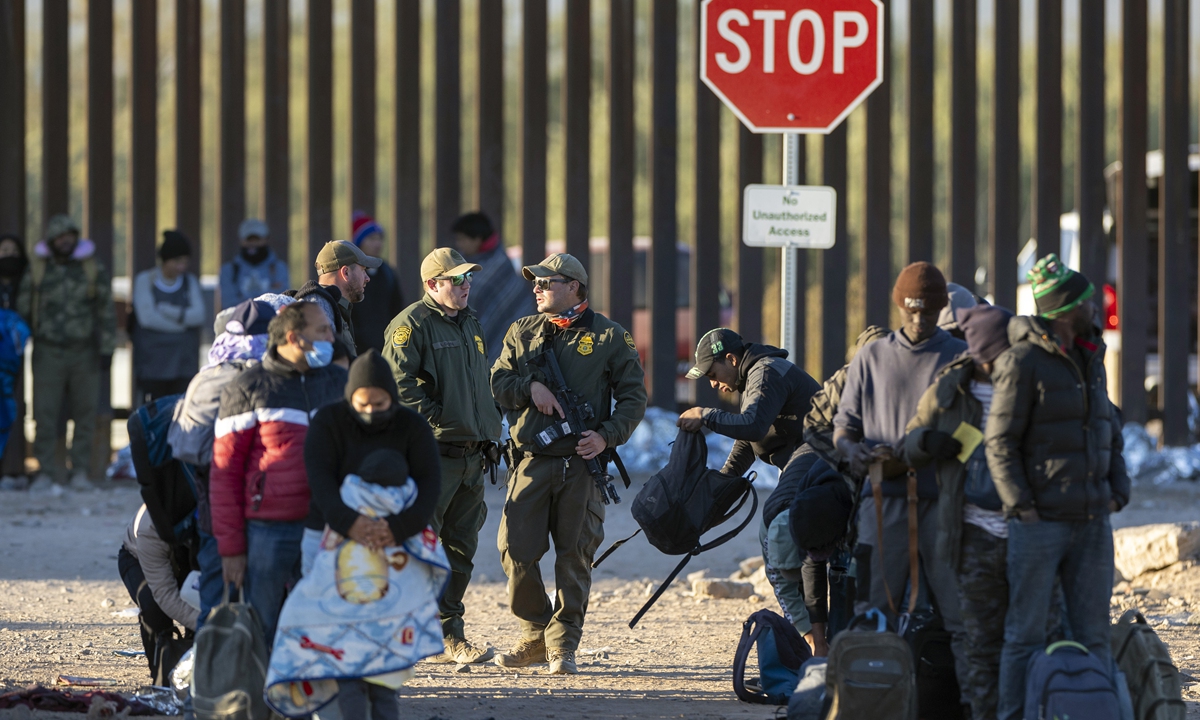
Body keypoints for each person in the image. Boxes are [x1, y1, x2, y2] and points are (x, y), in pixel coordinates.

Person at [491, 253, 647, 675]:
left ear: (574, 286)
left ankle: (563, 647)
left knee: (575, 556)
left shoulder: (610, 336)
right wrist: (532, 385)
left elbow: (634, 397)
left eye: (547, 282)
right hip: (531, 460)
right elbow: (498, 382)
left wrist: (606, 436)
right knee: (515, 551)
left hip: (581, 463)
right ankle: (536, 632)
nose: (537, 289)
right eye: (535, 283)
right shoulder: (521, 332)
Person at [989, 254, 1129, 720]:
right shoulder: (1022, 360)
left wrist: (1117, 491)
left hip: (1092, 522)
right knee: (1024, 636)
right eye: (1089, 299)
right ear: (1067, 307)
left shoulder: (1092, 357)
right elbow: (1000, 442)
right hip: (1039, 526)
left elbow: (1108, 425)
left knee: (1094, 635)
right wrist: (1022, 508)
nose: (1097, 306)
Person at [832, 262, 969, 688]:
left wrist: (954, 446)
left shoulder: (959, 357)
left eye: (927, 312)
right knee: (874, 613)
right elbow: (843, 428)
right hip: (882, 500)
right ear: (898, 306)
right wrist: (854, 454)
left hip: (943, 505)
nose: (918, 320)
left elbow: (980, 427)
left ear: (941, 307)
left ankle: (972, 702)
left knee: (961, 615)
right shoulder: (872, 357)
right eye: (911, 311)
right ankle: (875, 700)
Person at [382, 247, 502, 664]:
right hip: (433, 456)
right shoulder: (411, 324)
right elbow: (398, 385)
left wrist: (488, 427)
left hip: (473, 456)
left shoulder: (470, 322)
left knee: (460, 550)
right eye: (457, 279)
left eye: (468, 278)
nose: (466, 285)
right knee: (420, 547)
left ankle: (448, 631)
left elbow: (476, 386)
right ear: (433, 285)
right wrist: (440, 422)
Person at [901, 303, 1016, 719]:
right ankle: (978, 709)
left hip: (1027, 535)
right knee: (975, 639)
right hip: (970, 536)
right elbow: (909, 439)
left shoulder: (1028, 384)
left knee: (1024, 638)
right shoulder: (950, 388)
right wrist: (928, 442)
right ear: (986, 351)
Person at [209, 302, 346, 645]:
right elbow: (224, 473)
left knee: (323, 625)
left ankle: (313, 697)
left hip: (329, 527)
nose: (333, 337)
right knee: (262, 626)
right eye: (323, 331)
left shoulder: (339, 383)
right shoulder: (247, 388)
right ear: (294, 338)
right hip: (268, 531)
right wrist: (231, 548)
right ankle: (261, 697)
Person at [168, 298, 282, 632]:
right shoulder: (262, 380)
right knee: (262, 605)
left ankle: (209, 678)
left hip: (211, 509)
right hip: (256, 510)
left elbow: (183, 447)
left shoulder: (204, 377)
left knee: (215, 605)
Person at [303, 349, 441, 577]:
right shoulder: (328, 422)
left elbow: (430, 480)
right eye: (362, 405)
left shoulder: (412, 426)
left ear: (392, 398)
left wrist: (399, 527)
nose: (370, 411)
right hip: (328, 527)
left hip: (398, 534)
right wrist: (348, 522)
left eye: (379, 404)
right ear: (350, 398)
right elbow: (319, 477)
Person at [17, 214, 117, 491]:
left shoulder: (90, 267)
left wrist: (108, 348)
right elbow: (23, 309)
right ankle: (46, 472)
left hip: (83, 351)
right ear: (51, 240)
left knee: (85, 413)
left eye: (70, 235)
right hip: (47, 351)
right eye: (60, 237)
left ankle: (80, 471)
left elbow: (105, 310)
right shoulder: (38, 269)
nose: (65, 241)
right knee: (44, 413)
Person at [677, 327, 821, 476]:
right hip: (812, 460)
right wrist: (724, 481)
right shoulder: (751, 376)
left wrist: (704, 415)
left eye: (712, 375)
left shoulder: (766, 373)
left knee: (783, 500)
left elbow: (753, 426)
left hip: (822, 457)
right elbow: (748, 442)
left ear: (731, 359)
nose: (713, 384)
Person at [118, 504, 199, 679]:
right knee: (154, 609)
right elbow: (165, 595)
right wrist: (206, 624)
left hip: (186, 554)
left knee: (201, 604)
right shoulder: (151, 527)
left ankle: (200, 677)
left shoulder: (216, 520)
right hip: (138, 559)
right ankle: (161, 679)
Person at [785, 454, 856, 654]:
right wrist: (819, 642)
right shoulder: (803, 508)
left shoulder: (859, 489)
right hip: (835, 510)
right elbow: (811, 571)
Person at [131, 230, 205, 405]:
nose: (181, 267)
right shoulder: (145, 281)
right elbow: (147, 319)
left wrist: (169, 311)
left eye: (185, 262)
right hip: (153, 365)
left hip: (183, 364)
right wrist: (182, 324)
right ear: (165, 260)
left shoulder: (189, 282)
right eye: (177, 261)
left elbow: (199, 315)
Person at [451, 212, 535, 364]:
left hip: (509, 346)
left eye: (462, 239)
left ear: (477, 239)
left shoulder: (499, 263)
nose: (459, 245)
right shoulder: (464, 264)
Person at [295, 240, 381, 362]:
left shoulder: (331, 307)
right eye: (362, 270)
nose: (367, 278)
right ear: (346, 273)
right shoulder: (320, 312)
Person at [348, 212, 405, 356]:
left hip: (386, 347)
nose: (378, 243)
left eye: (380, 238)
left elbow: (397, 308)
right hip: (357, 349)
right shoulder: (349, 273)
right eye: (371, 239)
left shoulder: (388, 273)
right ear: (359, 242)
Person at [0, 234, 29, 489]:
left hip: (12, 365)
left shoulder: (26, 286)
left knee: (8, 413)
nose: (8, 255)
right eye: (3, 250)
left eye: (13, 251)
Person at [218, 218, 290, 310]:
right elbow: (228, 304)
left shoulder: (280, 268)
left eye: (257, 240)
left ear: (266, 239)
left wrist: (244, 300)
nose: (253, 244)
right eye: (249, 240)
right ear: (241, 241)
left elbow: (283, 302)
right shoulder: (228, 271)